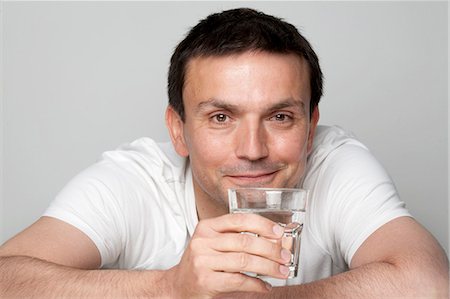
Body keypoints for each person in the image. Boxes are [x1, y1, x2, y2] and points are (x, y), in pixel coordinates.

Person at [0, 7, 448, 298]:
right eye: (221, 118)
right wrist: (169, 287)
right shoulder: (135, 180)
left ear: (311, 129)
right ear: (178, 131)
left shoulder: (336, 163)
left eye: (280, 117)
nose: (252, 151)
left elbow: (428, 282)